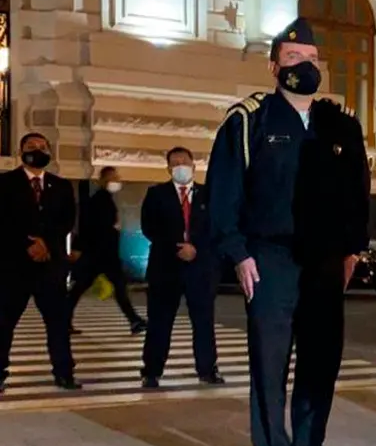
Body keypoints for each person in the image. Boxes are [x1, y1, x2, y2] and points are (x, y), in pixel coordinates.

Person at [206, 17, 368, 446]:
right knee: (270, 363)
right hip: (269, 257)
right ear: (274, 65)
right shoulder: (248, 121)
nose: (306, 66)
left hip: (324, 262)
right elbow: (223, 193)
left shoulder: (339, 125)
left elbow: (355, 194)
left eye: (313, 60)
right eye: (295, 59)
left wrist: (353, 250)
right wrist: (238, 252)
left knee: (321, 360)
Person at [0, 133, 79, 392]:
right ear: (20, 151)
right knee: (4, 322)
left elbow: (67, 220)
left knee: (57, 323)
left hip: (50, 267)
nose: (37, 150)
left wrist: (45, 242)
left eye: (42, 147)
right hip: (14, 266)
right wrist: (28, 244)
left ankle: (64, 373)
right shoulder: (5, 183)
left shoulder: (62, 186)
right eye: (31, 147)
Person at [139, 147, 223, 388]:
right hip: (165, 268)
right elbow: (149, 227)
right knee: (159, 322)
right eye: (174, 163)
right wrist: (178, 247)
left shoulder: (208, 195)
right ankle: (152, 370)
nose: (180, 166)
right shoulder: (156, 194)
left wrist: (195, 248)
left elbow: (215, 229)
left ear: (193, 165)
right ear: (168, 169)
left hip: (200, 269)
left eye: (184, 161)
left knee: (204, 321)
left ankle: (207, 369)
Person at [68, 166, 147, 336]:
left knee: (83, 288)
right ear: (104, 180)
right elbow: (88, 225)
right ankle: (134, 320)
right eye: (113, 178)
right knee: (112, 287)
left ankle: (134, 320)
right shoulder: (99, 199)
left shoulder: (105, 198)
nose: (117, 181)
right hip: (100, 253)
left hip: (100, 254)